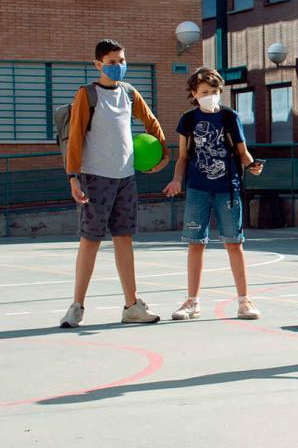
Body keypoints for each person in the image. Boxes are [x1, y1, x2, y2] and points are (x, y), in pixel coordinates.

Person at [60, 39, 169, 328]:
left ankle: (132, 305)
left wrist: (163, 151)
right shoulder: (87, 94)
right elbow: (74, 136)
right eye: (111, 62)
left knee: (124, 240)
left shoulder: (130, 93)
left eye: (122, 60)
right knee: (91, 241)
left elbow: (151, 121)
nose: (118, 66)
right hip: (95, 177)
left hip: (125, 179)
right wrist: (73, 176)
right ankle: (77, 306)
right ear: (98, 64)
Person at [162, 67, 265, 320]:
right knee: (195, 244)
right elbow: (183, 157)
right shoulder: (188, 120)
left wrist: (252, 166)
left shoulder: (230, 117)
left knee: (234, 243)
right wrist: (177, 180)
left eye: (216, 91)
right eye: (205, 92)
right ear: (194, 94)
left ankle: (244, 301)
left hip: (227, 189)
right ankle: (192, 301)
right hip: (198, 189)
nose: (211, 95)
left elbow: (243, 152)